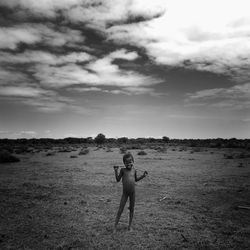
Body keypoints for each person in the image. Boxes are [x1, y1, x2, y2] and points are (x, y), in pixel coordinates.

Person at [113, 152, 148, 232]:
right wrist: (116, 170)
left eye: (130, 162)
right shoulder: (122, 170)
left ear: (133, 162)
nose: (129, 163)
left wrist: (143, 176)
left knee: (132, 209)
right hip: (125, 193)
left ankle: (130, 226)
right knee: (120, 209)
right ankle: (115, 226)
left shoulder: (134, 170)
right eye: (127, 162)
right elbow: (118, 180)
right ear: (124, 163)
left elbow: (136, 179)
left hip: (133, 193)